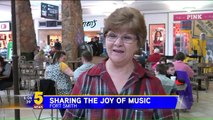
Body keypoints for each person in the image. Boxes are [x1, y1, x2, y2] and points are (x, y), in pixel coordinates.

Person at [63, 7, 173, 120]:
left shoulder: (152, 85)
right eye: (112, 36)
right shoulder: (86, 81)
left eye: (127, 37)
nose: (118, 43)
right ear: (105, 40)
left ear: (138, 44)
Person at [45, 51, 73, 117]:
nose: (64, 60)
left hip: (51, 92)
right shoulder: (62, 65)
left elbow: (45, 78)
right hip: (63, 92)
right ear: (58, 58)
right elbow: (72, 74)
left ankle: (64, 115)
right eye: (63, 59)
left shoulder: (48, 67)